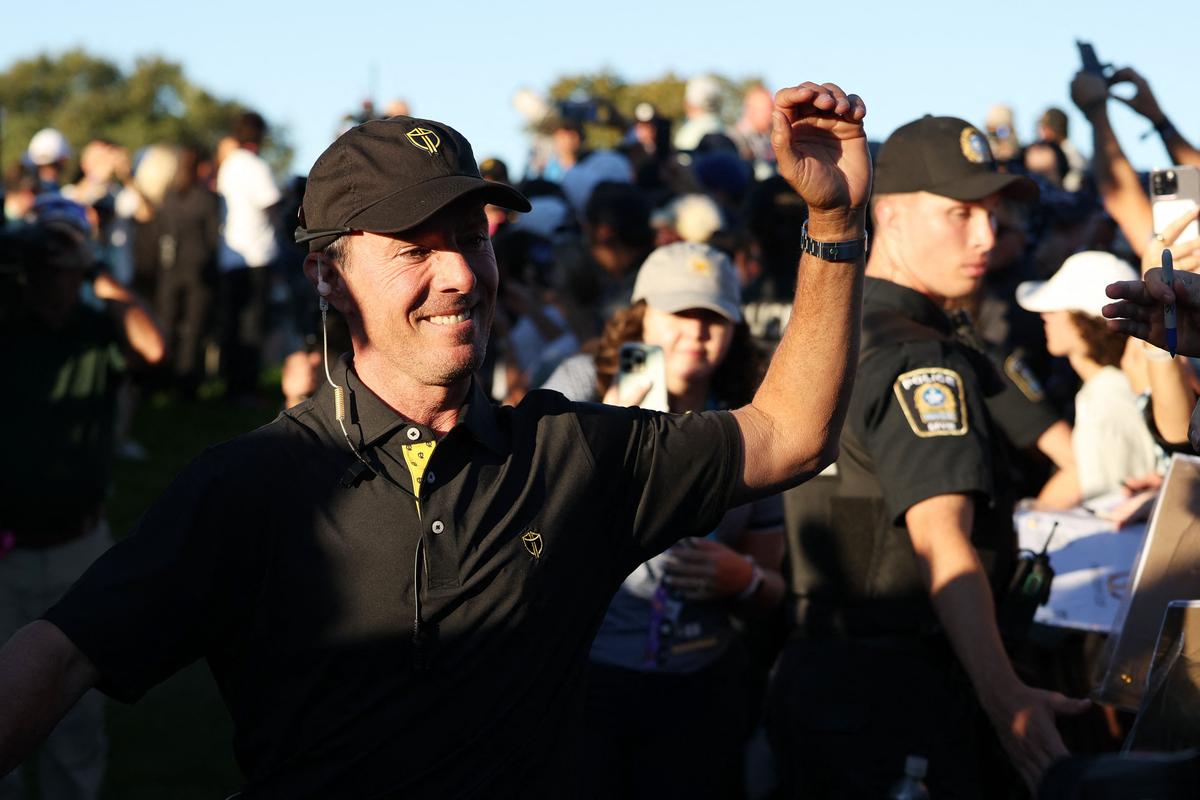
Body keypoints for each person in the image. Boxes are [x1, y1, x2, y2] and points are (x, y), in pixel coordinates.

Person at [0, 81, 871, 799]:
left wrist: (832, 227)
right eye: (414, 248)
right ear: (328, 275)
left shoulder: (575, 454)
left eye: (468, 239)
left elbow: (789, 435)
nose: (459, 272)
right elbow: (64, 647)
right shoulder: (253, 485)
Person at [770, 115, 1089, 799]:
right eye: (960, 213)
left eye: (995, 215)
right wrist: (1010, 702)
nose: (986, 235)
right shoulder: (921, 356)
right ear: (889, 215)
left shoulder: (828, 331)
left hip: (826, 681)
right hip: (899, 697)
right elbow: (942, 542)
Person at [544, 242, 784, 797]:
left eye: (714, 319)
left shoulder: (750, 423)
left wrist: (741, 578)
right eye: (680, 313)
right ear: (640, 315)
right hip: (585, 683)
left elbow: (774, 587)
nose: (695, 334)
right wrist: (614, 426)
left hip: (699, 688)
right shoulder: (582, 384)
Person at [0, 196, 164, 800]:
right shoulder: (7, 326)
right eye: (45, 250)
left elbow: (154, 350)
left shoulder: (99, 329)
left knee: (74, 712)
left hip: (79, 545)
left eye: (63, 251)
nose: (52, 266)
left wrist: (96, 272)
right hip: (5, 552)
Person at [1016, 251, 1158, 503]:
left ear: (1085, 321)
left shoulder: (1106, 395)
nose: (1045, 316)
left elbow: (1106, 498)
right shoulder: (1112, 386)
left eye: (1057, 309)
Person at [216, 111, 282, 401]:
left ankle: (231, 385)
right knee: (252, 325)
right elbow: (271, 205)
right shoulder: (256, 166)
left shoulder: (228, 165)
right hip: (256, 254)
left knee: (232, 323)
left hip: (230, 255)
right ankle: (247, 387)